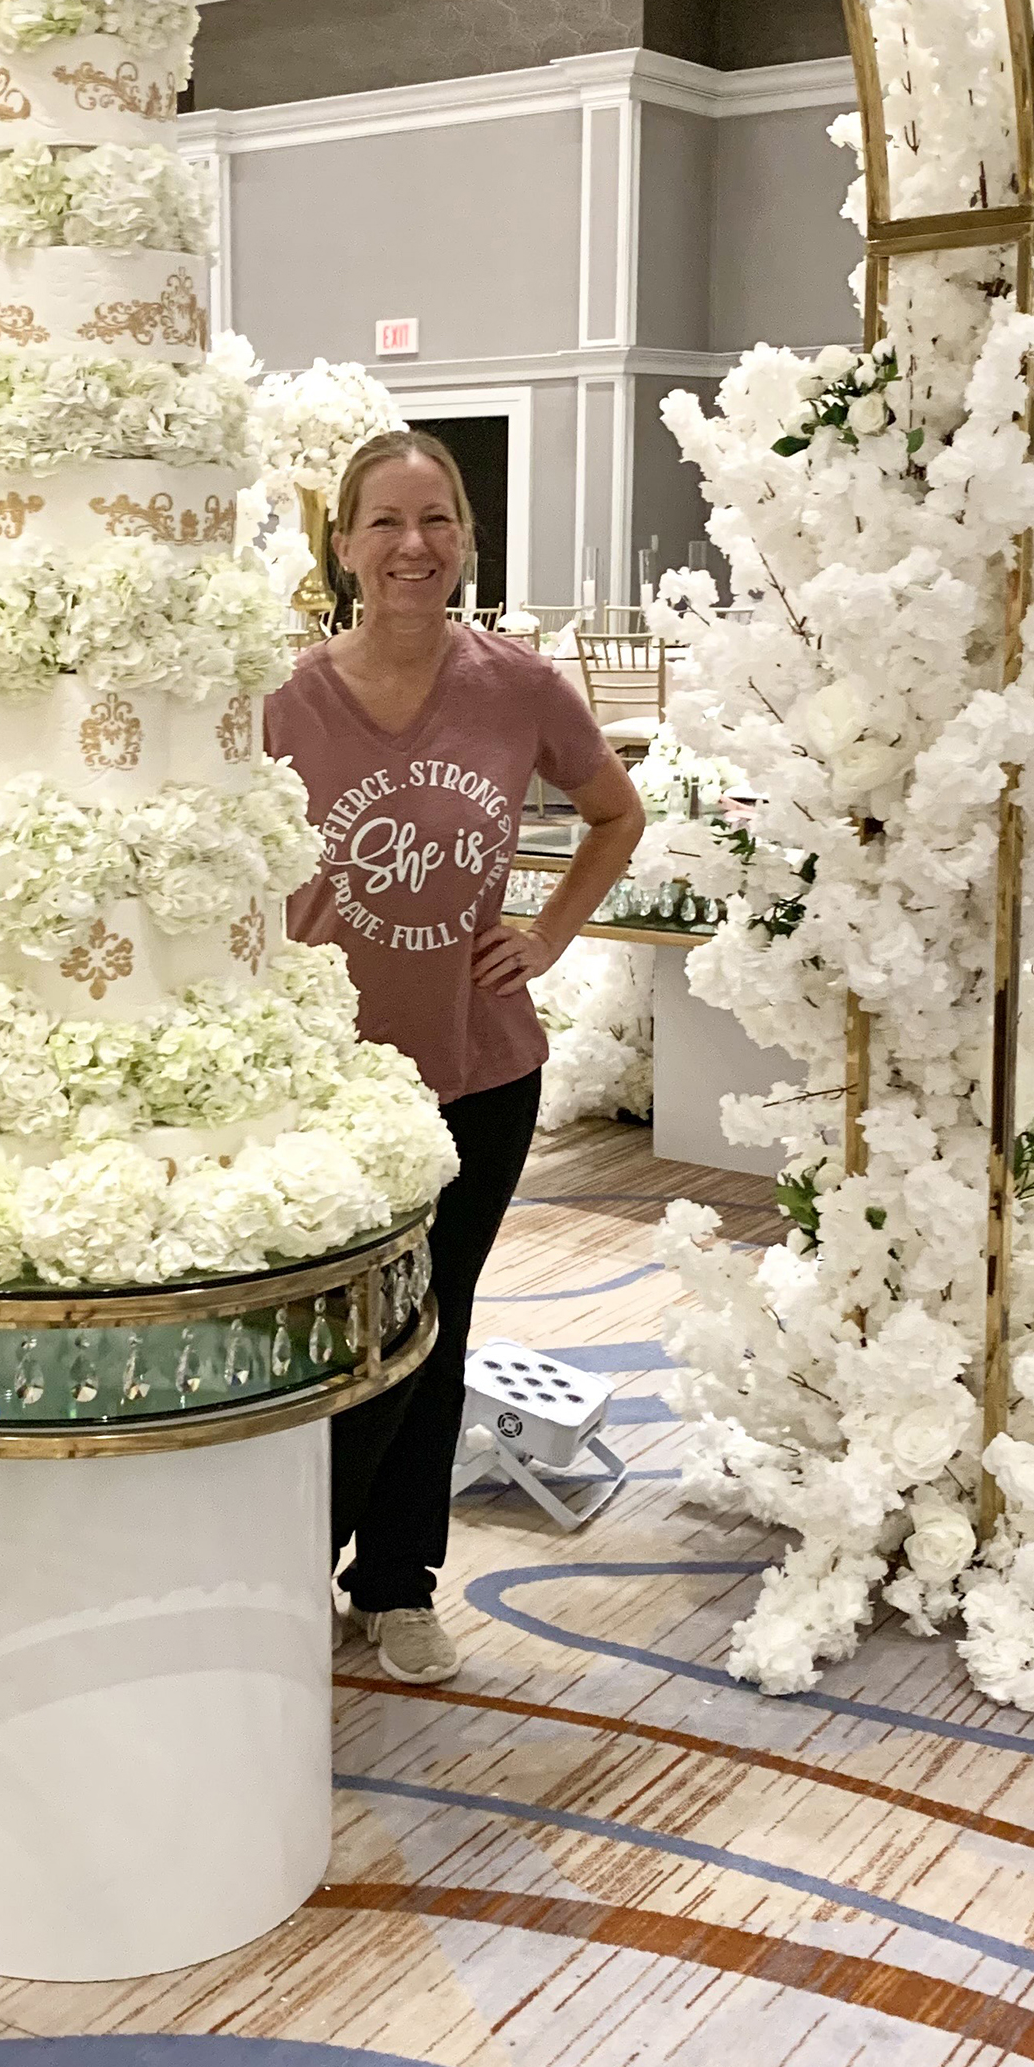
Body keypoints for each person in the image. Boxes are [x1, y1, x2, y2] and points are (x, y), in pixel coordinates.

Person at [264, 432, 644, 1684]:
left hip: (479, 1070)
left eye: (435, 522)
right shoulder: (277, 703)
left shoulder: (519, 687)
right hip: (326, 1079)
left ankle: (393, 1585)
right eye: (382, 523)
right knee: (333, 1333)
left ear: (466, 540)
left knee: (433, 1320)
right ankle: (293, 1574)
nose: (411, 548)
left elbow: (613, 812)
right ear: (342, 547)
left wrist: (546, 936)